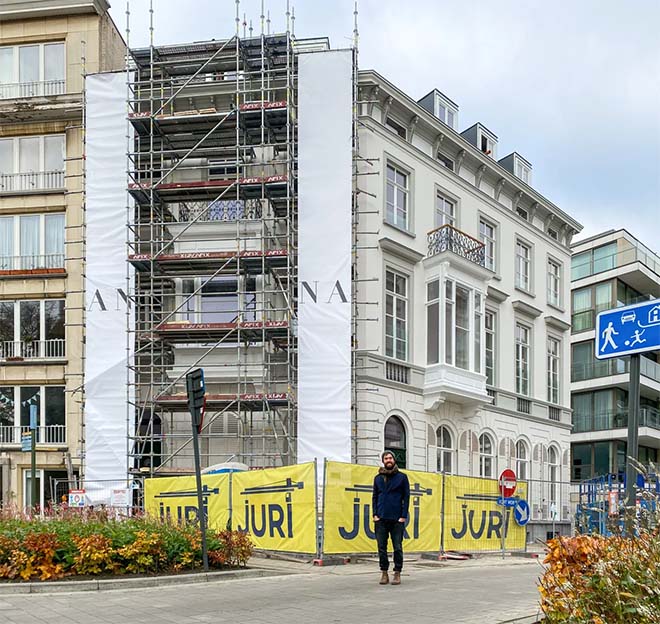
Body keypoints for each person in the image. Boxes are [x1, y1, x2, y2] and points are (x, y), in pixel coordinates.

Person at [372, 450, 410, 585]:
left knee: (397, 547)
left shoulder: (402, 477)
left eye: (390, 458)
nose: (388, 460)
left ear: (394, 460)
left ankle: (397, 573)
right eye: (386, 458)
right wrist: (375, 514)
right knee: (381, 547)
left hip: (396, 519)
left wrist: (403, 516)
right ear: (383, 461)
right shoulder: (378, 478)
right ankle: (384, 573)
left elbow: (406, 497)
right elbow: (375, 497)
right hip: (381, 518)